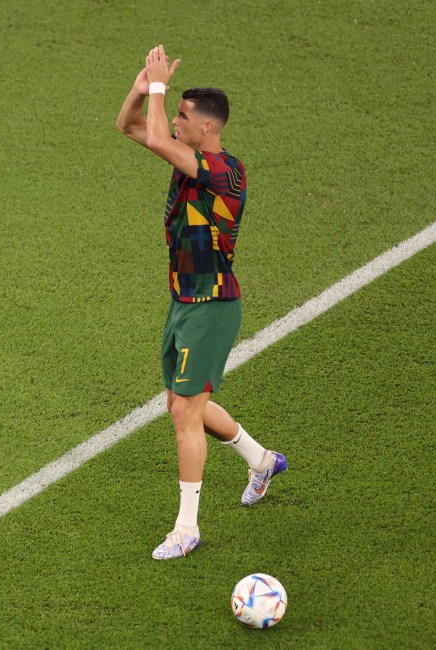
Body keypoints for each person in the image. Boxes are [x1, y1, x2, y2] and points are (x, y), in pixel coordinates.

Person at [116, 45, 287, 560]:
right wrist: (143, 88)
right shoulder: (188, 160)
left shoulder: (223, 171)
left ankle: (187, 528)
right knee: (182, 403)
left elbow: (156, 137)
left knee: (185, 414)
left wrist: (162, 88)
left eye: (183, 118)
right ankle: (262, 461)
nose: (174, 125)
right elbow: (129, 126)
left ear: (207, 128)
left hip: (212, 306)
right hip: (183, 302)